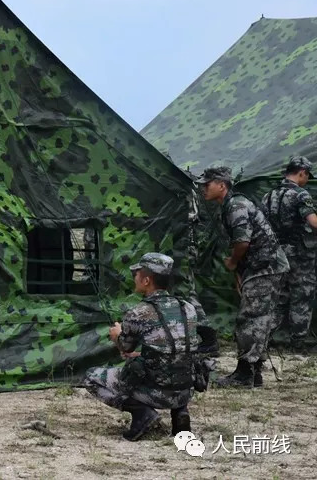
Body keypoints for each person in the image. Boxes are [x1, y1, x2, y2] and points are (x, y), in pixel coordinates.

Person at [84, 253, 199, 441]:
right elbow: (176, 348)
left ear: (146, 280)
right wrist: (142, 354)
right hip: (185, 390)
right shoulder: (188, 308)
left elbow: (125, 347)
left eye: (136, 274)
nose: (134, 278)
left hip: (156, 392)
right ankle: (180, 413)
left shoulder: (139, 312)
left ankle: (142, 413)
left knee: (91, 377)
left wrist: (116, 334)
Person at [196, 166, 289, 387]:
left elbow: (243, 243)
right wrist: (240, 274)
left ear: (221, 185)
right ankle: (253, 371)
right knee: (258, 318)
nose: (203, 189)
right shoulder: (229, 205)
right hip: (261, 268)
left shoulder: (236, 205)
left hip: (265, 267)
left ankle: (245, 373)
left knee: (251, 319)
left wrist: (233, 262)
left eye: (206, 184)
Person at [260, 156, 317, 352]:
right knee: (302, 297)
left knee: (279, 299)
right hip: (300, 255)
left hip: (276, 255)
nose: (307, 180)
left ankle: (263, 340)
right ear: (302, 172)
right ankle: (298, 346)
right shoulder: (301, 195)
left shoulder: (268, 196)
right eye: (307, 176)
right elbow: (313, 222)